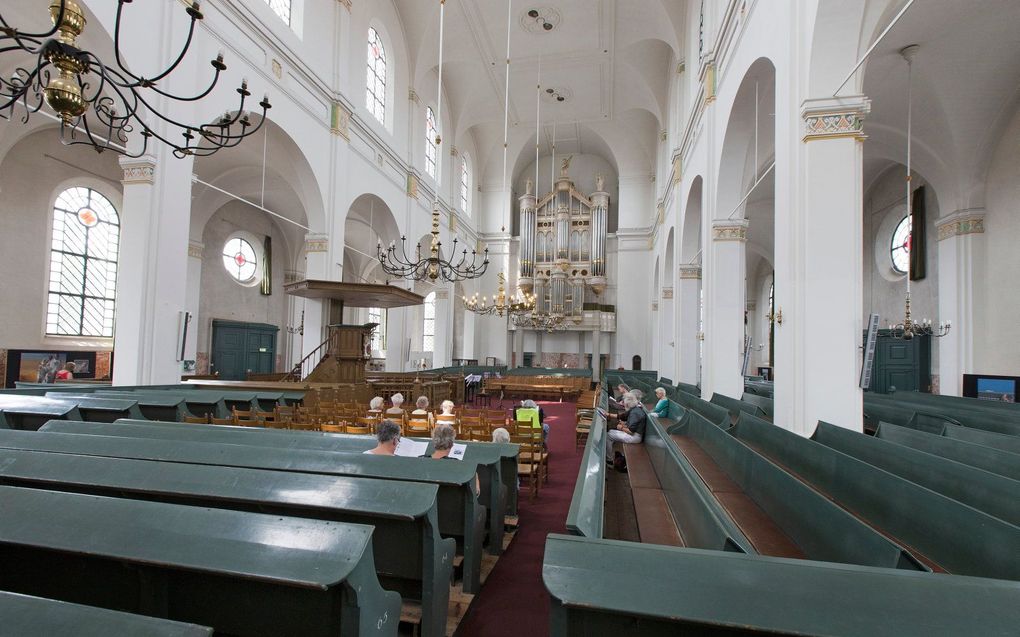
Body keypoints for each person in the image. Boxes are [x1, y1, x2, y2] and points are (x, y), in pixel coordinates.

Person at [606, 393, 646, 461]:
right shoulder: (635, 408)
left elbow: (631, 431)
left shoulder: (634, 413)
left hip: (635, 437)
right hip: (634, 434)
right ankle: (610, 455)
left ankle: (609, 459)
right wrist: (608, 414)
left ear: (627, 404)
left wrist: (621, 427)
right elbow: (622, 416)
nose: (622, 404)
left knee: (609, 435)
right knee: (611, 431)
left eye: (623, 402)